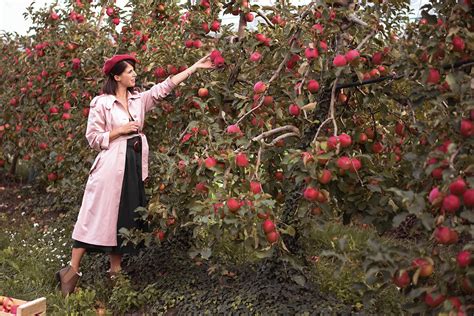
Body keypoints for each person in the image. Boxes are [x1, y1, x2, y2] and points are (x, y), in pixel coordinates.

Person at [56, 53, 214, 296]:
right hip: (110, 166)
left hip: (133, 164)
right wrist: (119, 131)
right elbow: (93, 139)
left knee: (123, 220)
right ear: (117, 76)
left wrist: (194, 67)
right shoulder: (102, 103)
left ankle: (115, 272)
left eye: (133, 71)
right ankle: (71, 272)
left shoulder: (139, 99)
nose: (134, 75)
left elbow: (166, 86)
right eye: (129, 71)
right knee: (95, 216)